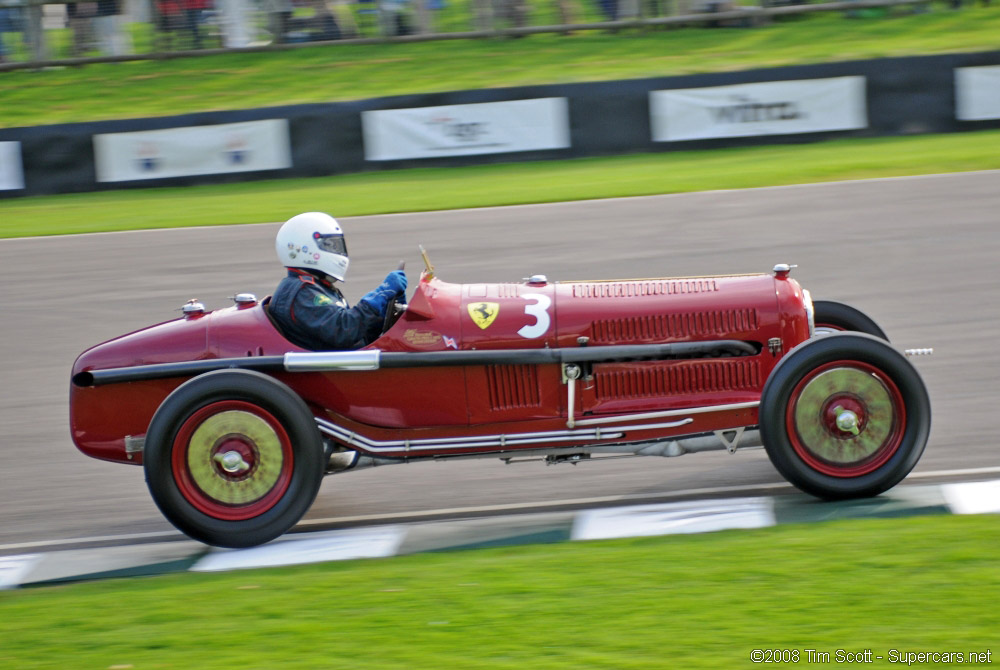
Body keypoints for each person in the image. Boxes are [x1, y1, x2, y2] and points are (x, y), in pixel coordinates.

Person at [270, 212, 407, 351]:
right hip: (328, 369)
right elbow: (344, 331)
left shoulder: (316, 287)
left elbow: (356, 333)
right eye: (330, 245)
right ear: (304, 248)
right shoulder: (303, 293)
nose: (337, 251)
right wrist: (381, 294)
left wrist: (384, 313)